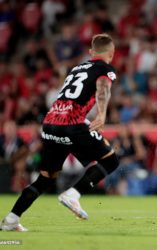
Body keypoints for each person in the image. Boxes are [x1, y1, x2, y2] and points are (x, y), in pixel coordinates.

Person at [0, 33, 119, 231]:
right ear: (112, 53)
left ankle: (11, 219)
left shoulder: (76, 68)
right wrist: (102, 114)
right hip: (72, 123)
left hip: (50, 123)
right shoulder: (105, 68)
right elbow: (103, 86)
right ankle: (72, 195)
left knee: (46, 177)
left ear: (91, 52)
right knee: (111, 160)